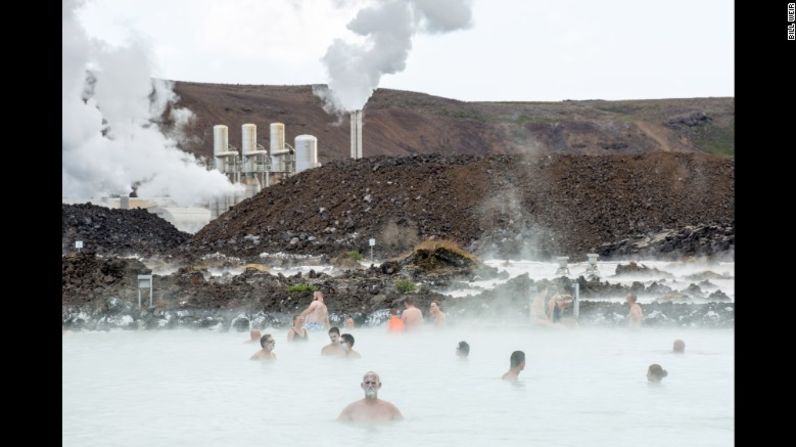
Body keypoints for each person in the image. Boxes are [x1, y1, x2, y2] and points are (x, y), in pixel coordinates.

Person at [338, 371, 403, 423]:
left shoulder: (391, 409)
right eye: (367, 382)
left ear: (379, 385)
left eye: (373, 383)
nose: (370, 385)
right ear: (362, 385)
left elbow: (403, 426)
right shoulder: (351, 409)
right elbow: (338, 427)